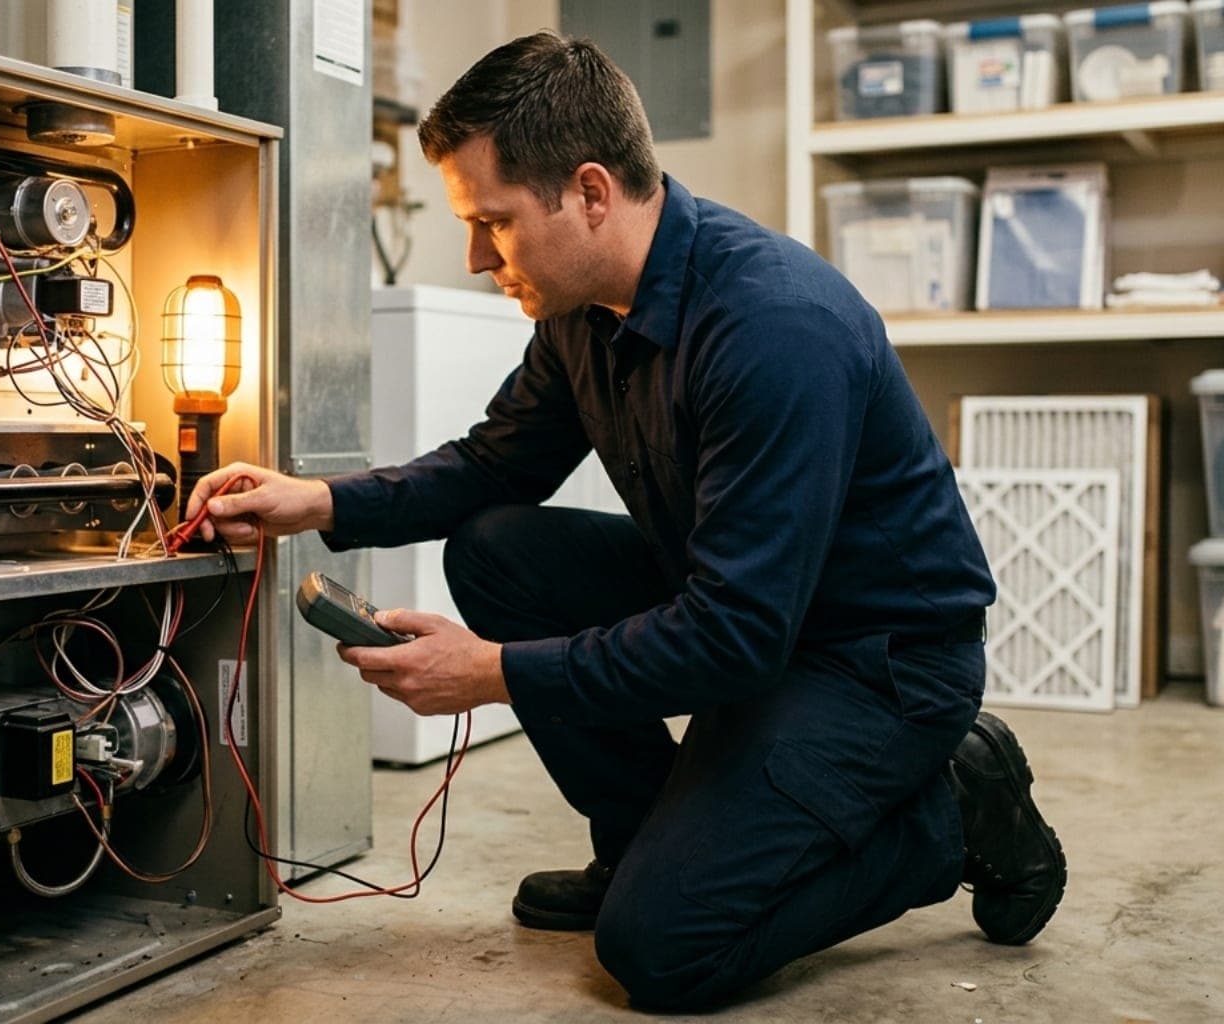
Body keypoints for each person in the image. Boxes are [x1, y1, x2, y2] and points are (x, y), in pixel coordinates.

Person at [184, 31, 1067, 1011]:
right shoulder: (583, 310)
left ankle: (953, 808)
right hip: (747, 608)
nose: (476, 257)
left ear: (591, 193)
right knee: (499, 552)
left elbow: (736, 636)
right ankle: (645, 839)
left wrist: (493, 673)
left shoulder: (773, 327)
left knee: (661, 948)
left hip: (876, 661)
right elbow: (495, 465)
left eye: (493, 223)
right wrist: (315, 502)